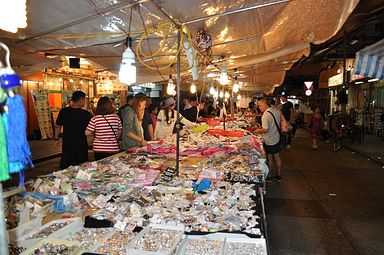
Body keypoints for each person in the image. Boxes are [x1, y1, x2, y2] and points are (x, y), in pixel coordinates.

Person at [54, 91, 92, 169]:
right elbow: (92, 128)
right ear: (80, 100)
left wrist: (56, 138)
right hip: (81, 144)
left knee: (66, 166)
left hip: (68, 143)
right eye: (84, 99)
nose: (84, 102)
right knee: (81, 166)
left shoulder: (64, 111)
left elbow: (58, 126)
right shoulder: (86, 114)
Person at [255, 98, 282, 182]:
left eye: (260, 105)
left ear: (265, 104)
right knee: (277, 157)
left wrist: (258, 130)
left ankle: (269, 176)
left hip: (269, 139)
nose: (259, 107)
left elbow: (266, 129)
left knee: (270, 158)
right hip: (276, 137)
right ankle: (278, 176)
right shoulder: (277, 110)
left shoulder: (266, 114)